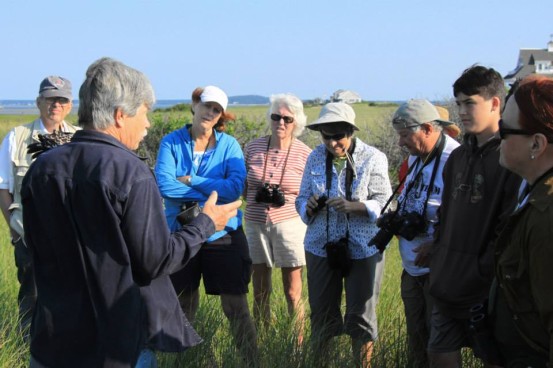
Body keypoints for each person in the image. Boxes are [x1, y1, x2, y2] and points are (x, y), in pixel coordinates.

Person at [21, 57, 242, 368]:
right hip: (115, 347)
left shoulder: (42, 168)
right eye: (145, 113)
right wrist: (205, 224)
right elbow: (156, 261)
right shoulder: (130, 172)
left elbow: (35, 248)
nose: (149, 124)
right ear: (120, 115)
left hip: (51, 344)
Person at [155, 85, 258, 365]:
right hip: (181, 234)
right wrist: (214, 193)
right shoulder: (171, 142)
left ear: (220, 115)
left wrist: (192, 181)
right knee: (182, 305)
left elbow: (235, 188)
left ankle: (252, 361)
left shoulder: (229, 145)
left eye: (216, 109)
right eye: (207, 105)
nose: (210, 112)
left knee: (235, 306)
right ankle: (183, 361)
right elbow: (164, 185)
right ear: (194, 105)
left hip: (223, 234)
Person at [427, 65, 521, 368]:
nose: (462, 111)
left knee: (494, 358)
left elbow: (508, 228)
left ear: (495, 104)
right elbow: (445, 214)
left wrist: (483, 272)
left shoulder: (510, 156)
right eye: (459, 104)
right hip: (446, 283)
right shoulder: (457, 156)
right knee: (439, 354)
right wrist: (439, 256)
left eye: (470, 103)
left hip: (486, 290)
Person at [295, 102, 392, 367]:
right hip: (320, 246)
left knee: (360, 315)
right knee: (322, 315)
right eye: (327, 136)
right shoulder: (314, 157)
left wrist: (356, 207)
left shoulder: (373, 157)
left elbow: (385, 202)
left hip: (363, 246)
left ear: (351, 131)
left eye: (339, 136)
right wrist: (309, 206)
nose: (332, 142)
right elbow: (301, 198)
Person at [0, 75, 79, 332]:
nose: (55, 105)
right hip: (28, 235)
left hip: (71, 237)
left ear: (69, 105)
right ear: (38, 102)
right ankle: (27, 350)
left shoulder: (80, 140)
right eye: (49, 99)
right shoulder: (17, 137)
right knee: (31, 297)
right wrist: (14, 230)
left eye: (61, 100)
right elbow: (3, 186)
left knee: (72, 297)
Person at [390, 99, 460, 367]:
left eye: (405, 135)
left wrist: (436, 244)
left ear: (428, 129)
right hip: (412, 269)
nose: (400, 143)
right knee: (416, 340)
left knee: (439, 345)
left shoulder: (455, 159)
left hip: (439, 270)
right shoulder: (416, 157)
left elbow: (465, 218)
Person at [492, 75, 553, 367]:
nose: (496, 136)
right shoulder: (533, 192)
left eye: (503, 129)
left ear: (536, 144)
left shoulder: (548, 215)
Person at [243, 93, 311, 336]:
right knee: (260, 291)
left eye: (287, 119)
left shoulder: (305, 153)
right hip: (255, 222)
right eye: (276, 117)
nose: (280, 123)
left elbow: (309, 192)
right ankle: (263, 339)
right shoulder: (252, 147)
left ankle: (297, 346)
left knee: (293, 292)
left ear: (297, 123)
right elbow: (244, 186)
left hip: (290, 223)